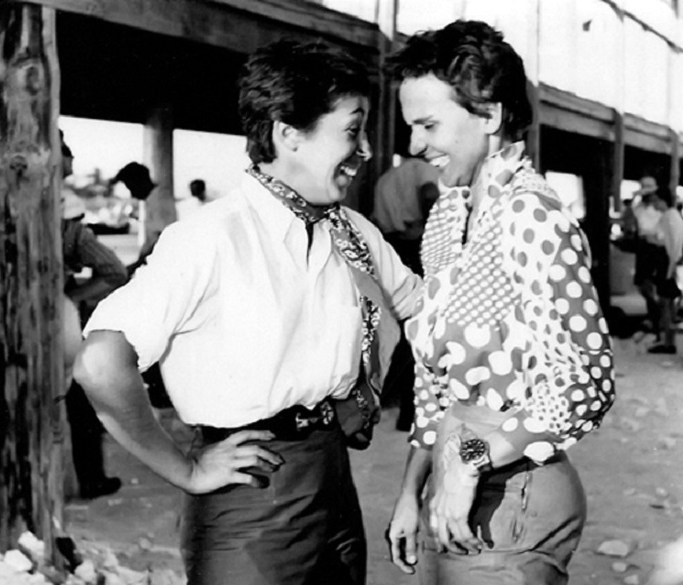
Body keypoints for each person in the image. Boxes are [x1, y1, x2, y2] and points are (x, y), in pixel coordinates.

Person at [73, 39, 421, 585]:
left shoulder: (353, 234)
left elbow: (427, 314)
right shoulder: (211, 239)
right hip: (251, 490)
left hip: (331, 473)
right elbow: (100, 364)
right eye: (352, 130)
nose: (367, 150)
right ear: (288, 134)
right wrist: (184, 469)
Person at [384, 21, 616, 584]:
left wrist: (469, 464)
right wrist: (413, 489)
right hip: (459, 476)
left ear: (489, 115)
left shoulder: (530, 215)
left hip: (513, 491)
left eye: (429, 125)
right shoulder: (449, 214)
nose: (414, 145)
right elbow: (434, 383)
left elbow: (587, 380)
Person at [0, 134, 129, 499]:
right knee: (66, 406)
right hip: (57, 325)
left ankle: (14, 491)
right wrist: (72, 294)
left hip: (8, 329)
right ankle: (68, 486)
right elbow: (115, 271)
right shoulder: (67, 230)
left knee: (12, 408)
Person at [373, 156, 440, 431]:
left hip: (392, 247)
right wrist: (436, 226)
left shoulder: (386, 178)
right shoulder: (424, 170)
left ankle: (389, 399)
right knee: (422, 329)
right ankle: (409, 412)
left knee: (399, 328)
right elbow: (429, 194)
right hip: (415, 247)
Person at [648, 186, 683, 355]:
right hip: (673, 260)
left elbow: (665, 241)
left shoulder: (667, 218)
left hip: (666, 261)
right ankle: (669, 340)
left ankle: (667, 342)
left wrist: (670, 267)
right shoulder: (676, 216)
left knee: (665, 303)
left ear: (663, 201)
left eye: (656, 200)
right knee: (670, 303)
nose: (654, 203)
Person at [631, 176, 664, 334]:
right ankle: (655, 317)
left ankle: (657, 318)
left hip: (654, 246)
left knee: (649, 284)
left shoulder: (659, 208)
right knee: (644, 285)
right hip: (645, 245)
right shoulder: (640, 207)